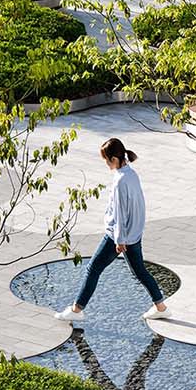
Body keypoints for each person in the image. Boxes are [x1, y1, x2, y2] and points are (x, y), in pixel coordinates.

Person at [55, 138, 170, 325]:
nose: (106, 164)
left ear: (115, 159)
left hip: (118, 236)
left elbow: (120, 212)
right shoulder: (131, 174)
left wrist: (119, 240)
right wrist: (133, 233)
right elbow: (138, 206)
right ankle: (161, 307)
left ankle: (77, 310)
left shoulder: (120, 181)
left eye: (107, 160)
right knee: (139, 271)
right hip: (133, 233)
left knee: (93, 268)